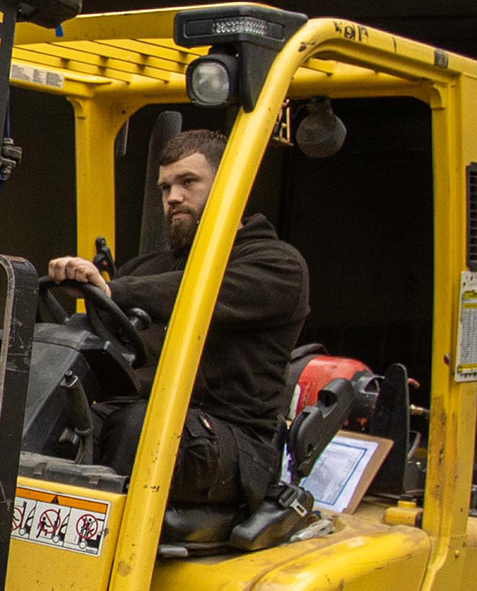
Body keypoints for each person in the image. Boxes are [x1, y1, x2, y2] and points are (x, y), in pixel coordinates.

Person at [45, 128, 311, 510]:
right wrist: (27, 386)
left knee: (143, 427)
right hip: (152, 420)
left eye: (188, 182)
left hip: (232, 444)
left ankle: (97, 555)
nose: (173, 197)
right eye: (165, 187)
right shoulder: (149, 269)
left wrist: (113, 289)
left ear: (232, 186)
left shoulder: (276, 265)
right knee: (41, 421)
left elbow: (196, 291)